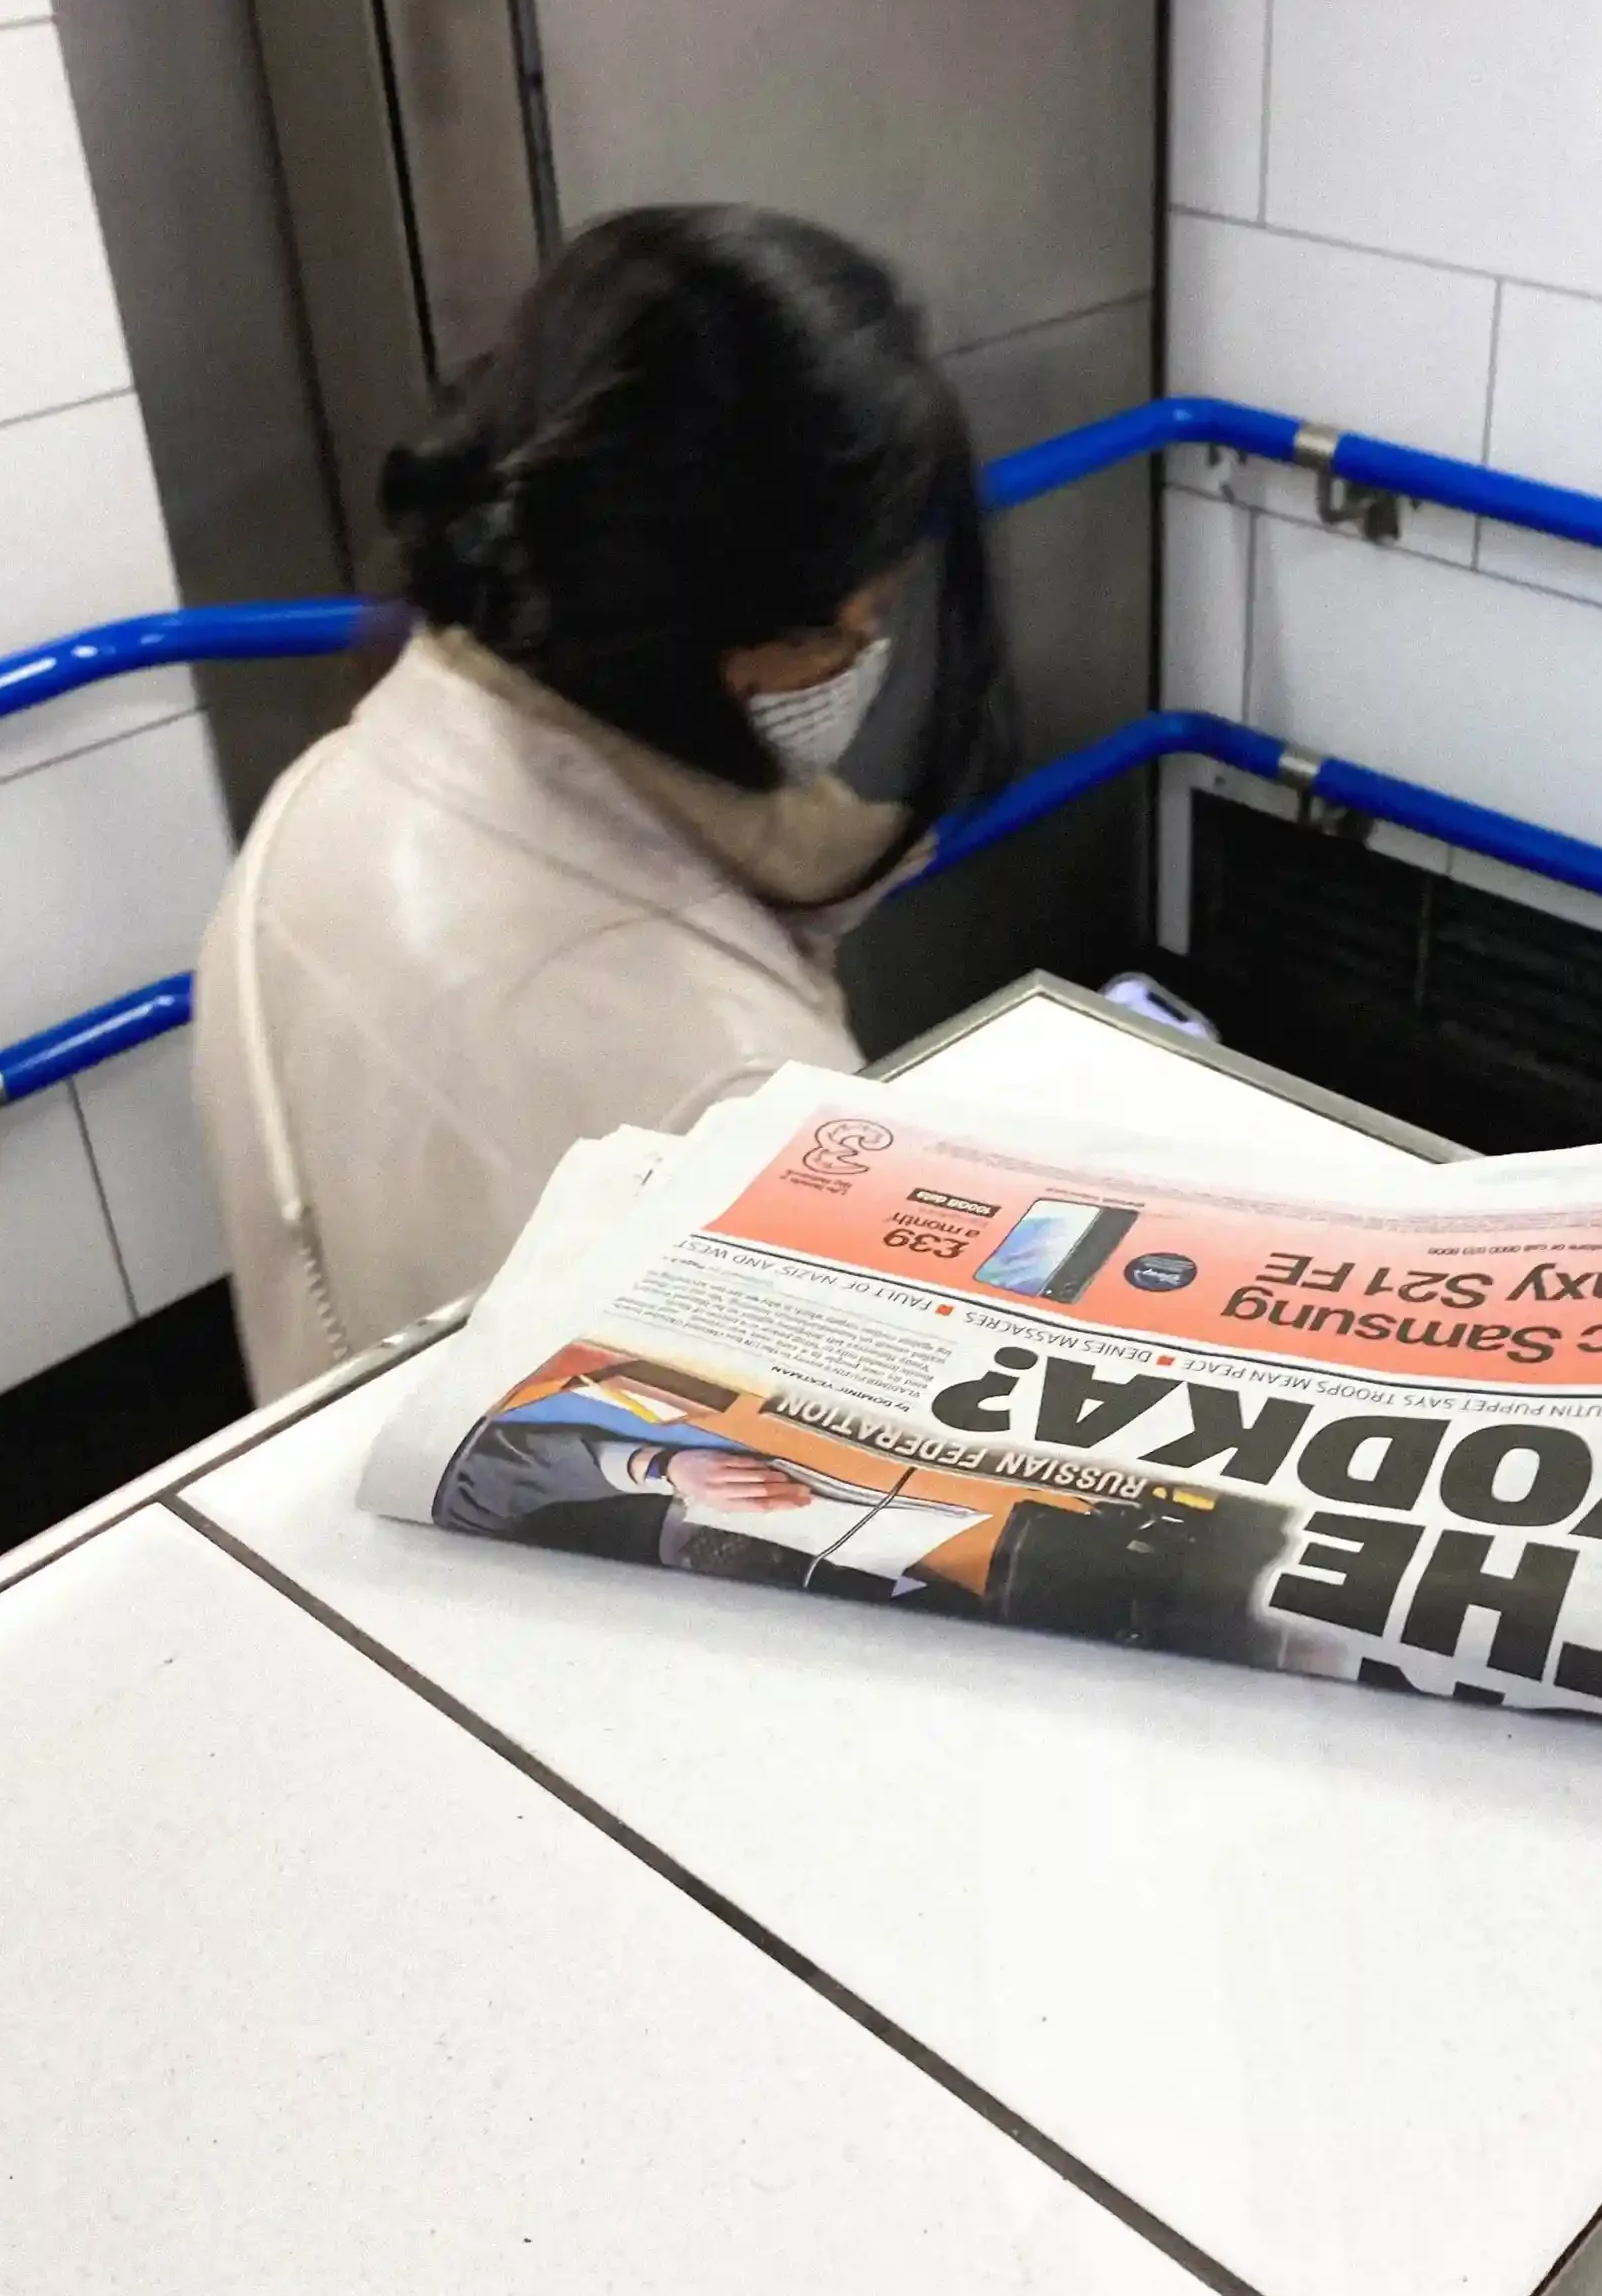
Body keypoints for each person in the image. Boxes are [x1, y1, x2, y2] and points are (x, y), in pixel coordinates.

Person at [194, 205, 1010, 1401]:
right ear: (724, 624)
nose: (867, 653)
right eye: (858, 616)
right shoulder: (722, 1072)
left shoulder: (331, 793)